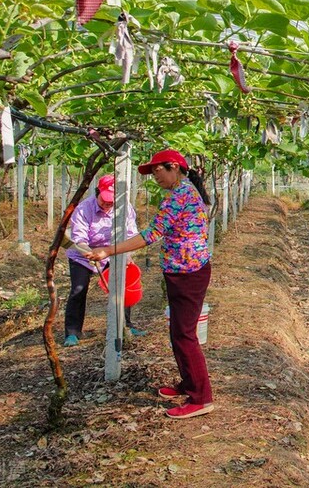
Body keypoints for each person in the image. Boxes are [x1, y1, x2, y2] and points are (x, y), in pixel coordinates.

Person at [89, 149, 214, 420]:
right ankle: (189, 383)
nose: (155, 177)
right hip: (185, 270)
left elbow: (151, 234)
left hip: (187, 273)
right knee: (178, 331)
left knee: (184, 335)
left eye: (158, 171)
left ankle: (201, 397)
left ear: (174, 167)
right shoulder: (186, 191)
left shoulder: (179, 196)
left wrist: (108, 251)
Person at [63, 174, 143, 346]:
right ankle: (72, 332)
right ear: (97, 192)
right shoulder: (84, 209)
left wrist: (126, 254)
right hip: (84, 255)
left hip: (113, 251)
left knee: (123, 286)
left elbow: (130, 233)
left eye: (111, 201)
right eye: (104, 199)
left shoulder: (125, 208)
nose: (107, 203)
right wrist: (88, 253)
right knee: (78, 289)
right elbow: (79, 237)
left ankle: (126, 325)